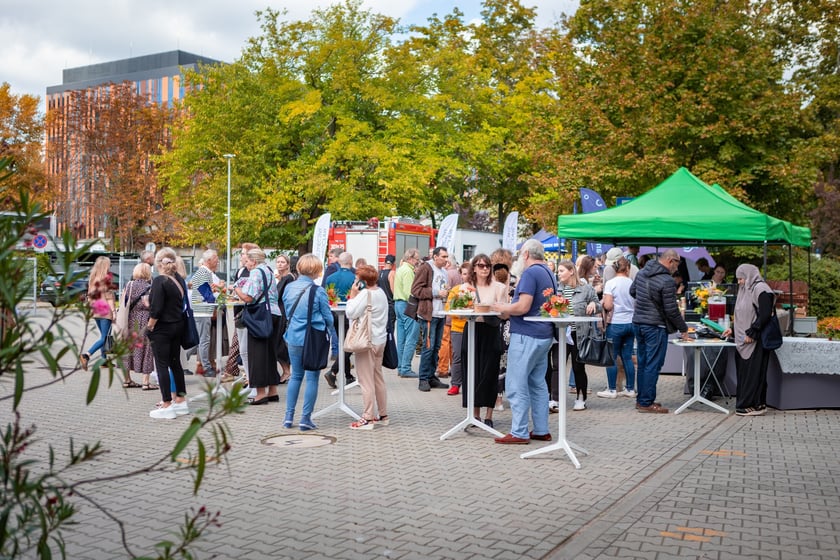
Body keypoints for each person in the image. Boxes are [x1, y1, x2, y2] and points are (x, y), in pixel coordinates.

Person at [491, 239, 555, 444]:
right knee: (537, 383)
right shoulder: (548, 273)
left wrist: (500, 307)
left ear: (526, 254)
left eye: (520, 253)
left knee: (515, 383)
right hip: (543, 335)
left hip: (527, 335)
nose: (519, 257)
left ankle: (519, 432)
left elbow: (523, 306)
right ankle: (541, 429)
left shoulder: (530, 273)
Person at [630, 249, 691, 413]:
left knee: (643, 363)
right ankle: (646, 402)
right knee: (653, 364)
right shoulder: (667, 280)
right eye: (678, 264)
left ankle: (642, 399)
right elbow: (671, 310)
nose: (677, 268)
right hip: (655, 326)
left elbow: (632, 291)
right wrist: (683, 328)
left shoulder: (642, 273)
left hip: (638, 322)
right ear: (671, 260)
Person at [282, 254, 334, 431]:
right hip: (312, 339)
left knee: (296, 376)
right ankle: (305, 418)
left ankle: (288, 417)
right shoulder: (318, 291)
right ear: (317, 271)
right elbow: (329, 318)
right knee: (312, 377)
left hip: (293, 337)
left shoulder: (289, 288)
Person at [722, 264, 776, 416]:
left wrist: (752, 332)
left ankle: (753, 404)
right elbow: (741, 313)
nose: (739, 282)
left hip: (754, 339)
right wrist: (732, 328)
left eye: (741, 278)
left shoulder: (761, 289)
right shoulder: (744, 289)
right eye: (738, 279)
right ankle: (748, 404)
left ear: (750, 276)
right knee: (747, 374)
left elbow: (765, 314)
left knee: (754, 373)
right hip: (742, 340)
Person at [460, 254, 507, 428]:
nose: (485, 269)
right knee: (472, 371)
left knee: (489, 372)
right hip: (472, 330)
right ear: (474, 268)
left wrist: (496, 308)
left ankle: (489, 415)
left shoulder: (499, 287)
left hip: (491, 330)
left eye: (487, 266)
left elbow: (505, 313)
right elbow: (460, 311)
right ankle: (474, 415)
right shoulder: (466, 287)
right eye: (480, 266)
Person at [146, 248, 190, 419]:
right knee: (175, 363)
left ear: (158, 263)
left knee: (162, 365)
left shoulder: (159, 281)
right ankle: (180, 399)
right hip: (177, 325)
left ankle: (166, 403)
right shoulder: (178, 279)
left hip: (162, 328)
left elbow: (156, 309)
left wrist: (149, 327)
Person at [234, 247, 281, 405]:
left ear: (254, 261)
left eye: (247, 261)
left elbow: (248, 297)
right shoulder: (268, 270)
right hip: (274, 313)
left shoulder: (255, 272)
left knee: (257, 354)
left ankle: (261, 393)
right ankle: (273, 390)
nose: (246, 264)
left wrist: (237, 289)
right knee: (270, 354)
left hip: (260, 316)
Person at [345, 265, 390, 429]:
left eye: (357, 279)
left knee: (365, 380)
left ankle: (368, 417)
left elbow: (350, 312)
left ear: (362, 281)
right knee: (378, 377)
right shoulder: (381, 293)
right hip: (380, 340)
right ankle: (383, 414)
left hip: (366, 341)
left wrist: (352, 295)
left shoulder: (365, 294)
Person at [557, 260, 601, 411]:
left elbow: (599, 304)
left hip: (578, 334)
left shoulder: (586, 289)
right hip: (561, 334)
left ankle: (581, 398)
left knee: (578, 367)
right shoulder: (557, 289)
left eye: (561, 270)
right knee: (557, 366)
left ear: (571, 271)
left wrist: (594, 305)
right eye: (558, 271)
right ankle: (554, 398)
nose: (559, 273)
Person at [410, 246, 451, 392]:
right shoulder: (426, 268)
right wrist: (435, 292)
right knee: (428, 346)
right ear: (435, 257)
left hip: (440, 313)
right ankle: (423, 378)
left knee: (436, 347)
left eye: (447, 257)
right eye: (444, 257)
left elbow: (444, 289)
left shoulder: (444, 272)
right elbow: (415, 290)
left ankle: (431, 376)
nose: (447, 259)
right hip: (429, 313)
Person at [598, 257, 636, 399]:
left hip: (616, 323)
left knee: (612, 357)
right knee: (627, 356)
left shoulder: (611, 283)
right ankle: (630, 388)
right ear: (628, 268)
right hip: (631, 323)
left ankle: (612, 389)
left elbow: (608, 305)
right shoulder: (632, 283)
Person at [324, 251, 356, 388]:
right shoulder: (355, 278)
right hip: (349, 313)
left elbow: (329, 298)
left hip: (334, 313)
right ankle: (333, 371)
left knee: (344, 344)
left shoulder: (330, 278)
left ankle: (348, 376)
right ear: (351, 262)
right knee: (349, 345)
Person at [121, 262, 155, 389]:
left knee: (128, 348)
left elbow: (124, 303)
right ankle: (145, 382)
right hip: (145, 320)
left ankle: (127, 379)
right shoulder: (150, 287)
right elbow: (152, 306)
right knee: (146, 349)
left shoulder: (129, 285)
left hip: (130, 320)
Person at [80, 256, 115, 371]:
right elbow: (109, 298)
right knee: (105, 338)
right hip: (105, 312)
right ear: (105, 266)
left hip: (96, 311)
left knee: (103, 336)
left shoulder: (92, 279)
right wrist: (114, 312)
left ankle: (104, 361)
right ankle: (86, 355)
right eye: (109, 264)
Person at [191, 249, 222, 377]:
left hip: (201, 310)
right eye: (216, 258)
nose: (218, 261)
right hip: (202, 311)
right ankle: (207, 367)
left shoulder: (203, 272)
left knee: (199, 340)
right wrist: (219, 294)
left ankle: (182, 361)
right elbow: (207, 294)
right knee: (203, 340)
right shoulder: (204, 273)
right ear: (209, 261)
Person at [393, 248, 421, 378]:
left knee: (401, 338)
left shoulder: (400, 269)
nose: (418, 261)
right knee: (411, 337)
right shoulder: (408, 271)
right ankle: (406, 368)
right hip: (407, 305)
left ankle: (400, 367)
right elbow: (410, 292)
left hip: (398, 304)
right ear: (410, 258)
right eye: (416, 259)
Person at [444, 262, 471, 396]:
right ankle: (455, 384)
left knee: (472, 357)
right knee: (458, 356)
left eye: (470, 273)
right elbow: (448, 309)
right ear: (460, 275)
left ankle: (469, 383)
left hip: (473, 327)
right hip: (458, 328)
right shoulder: (455, 290)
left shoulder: (476, 290)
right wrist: (461, 313)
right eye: (465, 273)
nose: (467, 276)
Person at [274, 253, 295, 384]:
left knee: (278, 342)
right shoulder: (285, 278)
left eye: (282, 262)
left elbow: (276, 295)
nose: (280, 264)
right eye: (278, 262)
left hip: (282, 312)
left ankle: (287, 371)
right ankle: (286, 370)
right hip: (281, 311)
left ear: (288, 264)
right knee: (279, 342)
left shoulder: (287, 278)